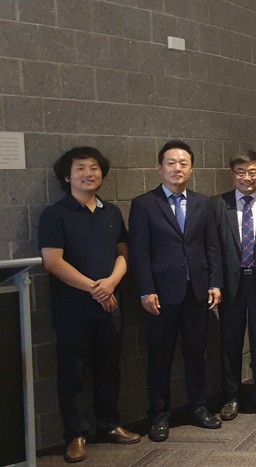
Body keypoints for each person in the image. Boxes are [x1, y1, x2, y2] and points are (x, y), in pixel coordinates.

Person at [39, 147, 141, 462]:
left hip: (110, 303)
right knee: (73, 372)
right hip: (73, 307)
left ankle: (109, 425)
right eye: (81, 168)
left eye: (94, 167)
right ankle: (75, 435)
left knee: (110, 367)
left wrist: (111, 282)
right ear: (67, 176)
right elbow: (53, 262)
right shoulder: (55, 214)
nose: (89, 173)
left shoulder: (111, 212)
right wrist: (96, 288)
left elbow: (124, 253)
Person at [128, 140, 223, 442]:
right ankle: (159, 414)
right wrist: (145, 289)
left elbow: (212, 247)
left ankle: (197, 406)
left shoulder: (202, 203)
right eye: (171, 162)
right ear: (160, 167)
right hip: (161, 295)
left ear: (191, 168)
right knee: (160, 356)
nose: (177, 168)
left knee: (196, 353)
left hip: (197, 291)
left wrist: (215, 282)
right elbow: (139, 252)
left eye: (183, 163)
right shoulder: (143, 204)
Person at [212, 150, 256, 421]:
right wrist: (215, 283)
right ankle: (231, 396)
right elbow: (213, 249)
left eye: (252, 172)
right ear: (233, 175)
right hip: (231, 283)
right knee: (230, 341)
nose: (247, 177)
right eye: (241, 172)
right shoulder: (217, 204)